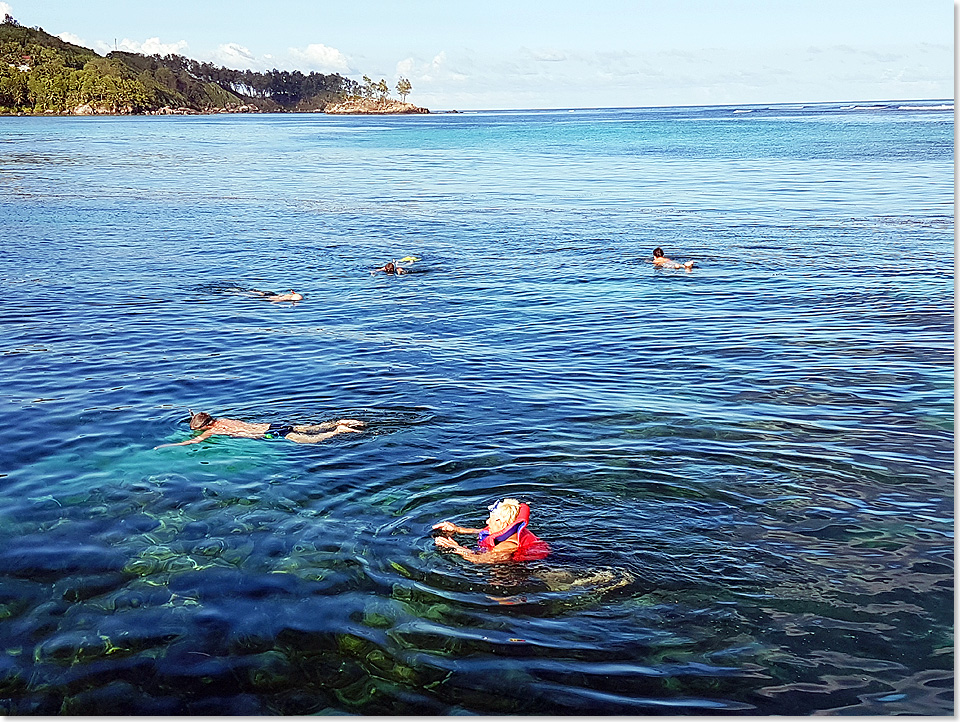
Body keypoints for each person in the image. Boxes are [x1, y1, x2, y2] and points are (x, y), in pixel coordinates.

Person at [155, 411, 364, 448]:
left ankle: (338, 431)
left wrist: (169, 444)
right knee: (311, 428)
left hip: (269, 434)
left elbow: (192, 442)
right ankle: (339, 422)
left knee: (309, 440)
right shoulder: (224, 420)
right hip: (272, 425)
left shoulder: (213, 432)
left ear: (205, 427)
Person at [432, 498, 550, 563]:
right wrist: (457, 529)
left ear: (501, 522)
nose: (487, 522)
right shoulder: (507, 529)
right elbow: (483, 532)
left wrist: (455, 547)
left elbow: (479, 559)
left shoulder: (508, 545)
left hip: (533, 570)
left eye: (491, 519)